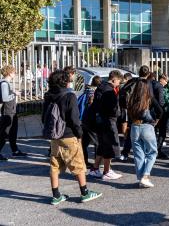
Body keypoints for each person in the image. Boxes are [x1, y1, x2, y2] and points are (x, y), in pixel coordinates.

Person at [43, 70, 101, 205]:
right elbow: (75, 120)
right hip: (69, 135)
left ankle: (56, 195)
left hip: (55, 136)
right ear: (65, 81)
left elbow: (44, 117)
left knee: (54, 165)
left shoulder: (48, 96)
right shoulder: (70, 96)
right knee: (78, 164)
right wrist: (79, 134)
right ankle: (85, 192)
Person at [128, 79, 163, 187]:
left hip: (134, 127)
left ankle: (140, 178)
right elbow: (160, 111)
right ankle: (145, 176)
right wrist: (156, 122)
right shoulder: (149, 99)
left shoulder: (132, 99)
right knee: (152, 152)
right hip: (147, 127)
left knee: (138, 155)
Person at [89, 70, 124, 180]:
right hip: (108, 121)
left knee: (102, 145)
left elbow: (95, 105)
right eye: (119, 82)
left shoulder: (100, 88)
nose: (119, 84)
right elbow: (114, 110)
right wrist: (119, 113)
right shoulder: (109, 91)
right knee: (109, 145)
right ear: (114, 79)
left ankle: (95, 168)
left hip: (99, 120)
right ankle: (107, 171)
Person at [0, 66, 26, 160]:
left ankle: (15, 151)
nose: (15, 74)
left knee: (13, 132)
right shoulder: (4, 83)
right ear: (9, 73)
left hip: (11, 110)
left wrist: (13, 92)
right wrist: (15, 94)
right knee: (4, 133)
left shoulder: (6, 83)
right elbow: (5, 98)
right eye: (14, 72)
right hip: (8, 112)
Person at [80, 75, 102, 167]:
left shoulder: (86, 91)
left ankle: (84, 161)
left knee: (84, 143)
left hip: (83, 120)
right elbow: (92, 106)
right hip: (91, 121)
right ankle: (98, 163)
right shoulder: (95, 92)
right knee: (97, 142)